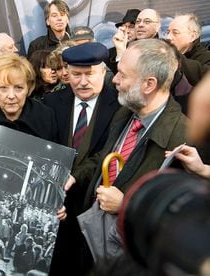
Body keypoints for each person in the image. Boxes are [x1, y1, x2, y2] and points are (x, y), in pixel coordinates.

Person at [68, 39, 187, 272]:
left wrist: (126, 205)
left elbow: (182, 225)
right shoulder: (125, 113)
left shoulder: (185, 139)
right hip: (98, 252)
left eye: (122, 74)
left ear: (149, 84)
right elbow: (105, 157)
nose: (114, 80)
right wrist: (75, 177)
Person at [44, 42, 120, 276]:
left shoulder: (120, 105)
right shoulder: (51, 103)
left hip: (96, 209)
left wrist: (75, 176)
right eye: (76, 74)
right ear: (66, 73)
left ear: (103, 72)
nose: (83, 81)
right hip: (56, 210)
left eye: (90, 74)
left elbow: (110, 151)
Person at [0, 53, 58, 142]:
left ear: (28, 88)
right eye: (3, 88)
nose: (11, 96)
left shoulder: (45, 116)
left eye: (18, 88)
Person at [166, 13, 210, 86]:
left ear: (192, 37)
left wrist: (174, 55)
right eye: (168, 32)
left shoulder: (206, 58)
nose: (168, 37)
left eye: (175, 33)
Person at [107, 8, 141, 74]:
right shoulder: (110, 53)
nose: (127, 31)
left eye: (131, 26)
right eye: (125, 26)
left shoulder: (144, 51)